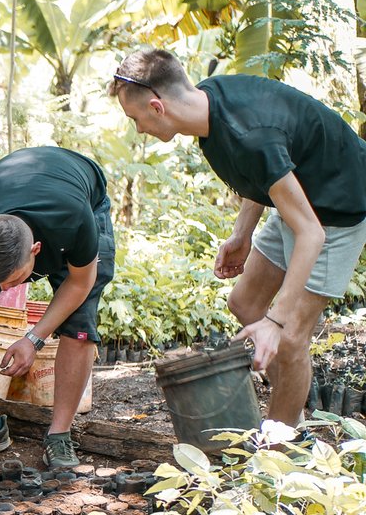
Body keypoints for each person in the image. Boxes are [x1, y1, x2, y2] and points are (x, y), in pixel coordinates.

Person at [111, 49, 366, 427]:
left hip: (335, 213)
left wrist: (277, 322)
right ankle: (292, 414)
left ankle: (279, 451)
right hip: (298, 200)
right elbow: (263, 172)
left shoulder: (249, 134)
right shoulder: (209, 106)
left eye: (136, 119)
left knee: (292, 337)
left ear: (157, 107)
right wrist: (241, 233)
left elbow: (310, 231)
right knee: (245, 303)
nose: (139, 130)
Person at [0, 147, 116, 470]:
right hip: (10, 197)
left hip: (82, 196)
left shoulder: (73, 219)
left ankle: (59, 435)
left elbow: (80, 283)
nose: (7, 291)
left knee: (79, 328)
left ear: (36, 251)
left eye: (14, 280)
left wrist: (33, 338)